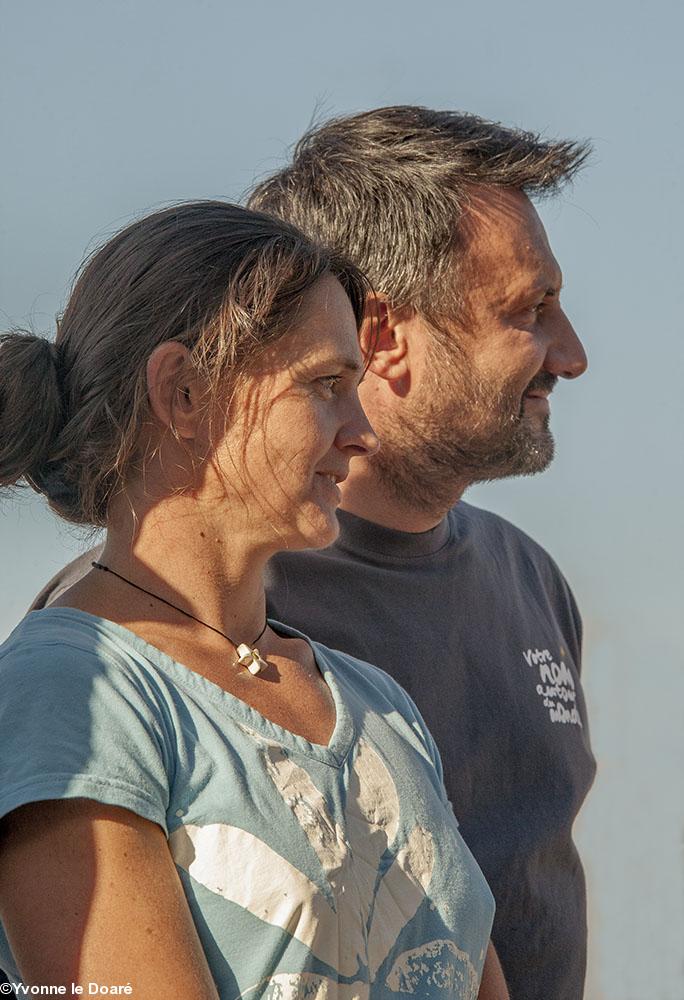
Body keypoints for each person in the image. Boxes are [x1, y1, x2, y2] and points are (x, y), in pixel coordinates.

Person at [0, 202, 503, 998]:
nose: (364, 431)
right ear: (186, 395)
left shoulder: (382, 707)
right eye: (327, 385)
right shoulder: (69, 695)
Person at [249, 107, 597, 1000]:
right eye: (531, 309)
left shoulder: (533, 584)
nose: (573, 355)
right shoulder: (203, 603)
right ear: (382, 338)